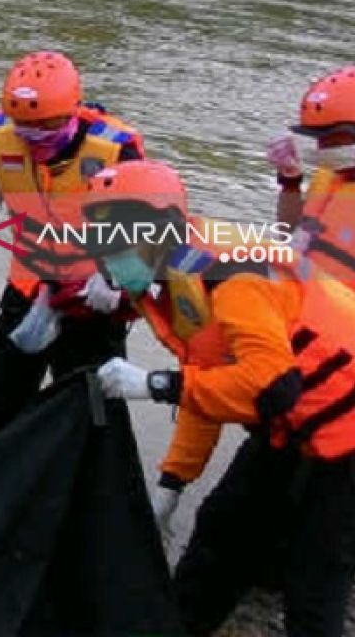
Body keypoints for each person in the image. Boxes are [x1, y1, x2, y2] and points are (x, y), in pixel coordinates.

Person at [88, 160, 355, 637]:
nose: (106, 258)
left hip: (337, 425)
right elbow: (209, 384)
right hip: (298, 420)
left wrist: (154, 384)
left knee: (314, 573)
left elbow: (272, 387)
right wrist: (172, 482)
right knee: (223, 532)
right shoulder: (179, 278)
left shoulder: (233, 273)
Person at [0, 50, 145, 456]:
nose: (34, 139)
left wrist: (116, 275)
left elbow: (154, 229)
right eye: (24, 128)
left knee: (94, 417)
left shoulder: (116, 152)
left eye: (45, 128)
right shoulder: (2, 148)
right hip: (27, 294)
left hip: (93, 305)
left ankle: (88, 507)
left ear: (73, 111)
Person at [267, 66, 355, 285]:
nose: (325, 149)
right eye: (320, 140)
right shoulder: (329, 177)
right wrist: (290, 182)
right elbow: (289, 235)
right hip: (304, 295)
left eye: (336, 139)